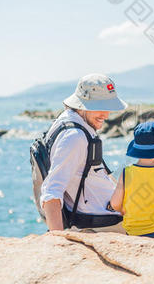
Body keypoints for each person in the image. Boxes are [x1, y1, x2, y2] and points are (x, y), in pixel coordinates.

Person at [40, 73, 127, 232]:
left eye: (108, 108)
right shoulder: (74, 137)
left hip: (106, 209)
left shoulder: (70, 120)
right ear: (82, 104)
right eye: (100, 107)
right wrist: (58, 242)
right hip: (102, 219)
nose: (106, 115)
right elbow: (51, 191)